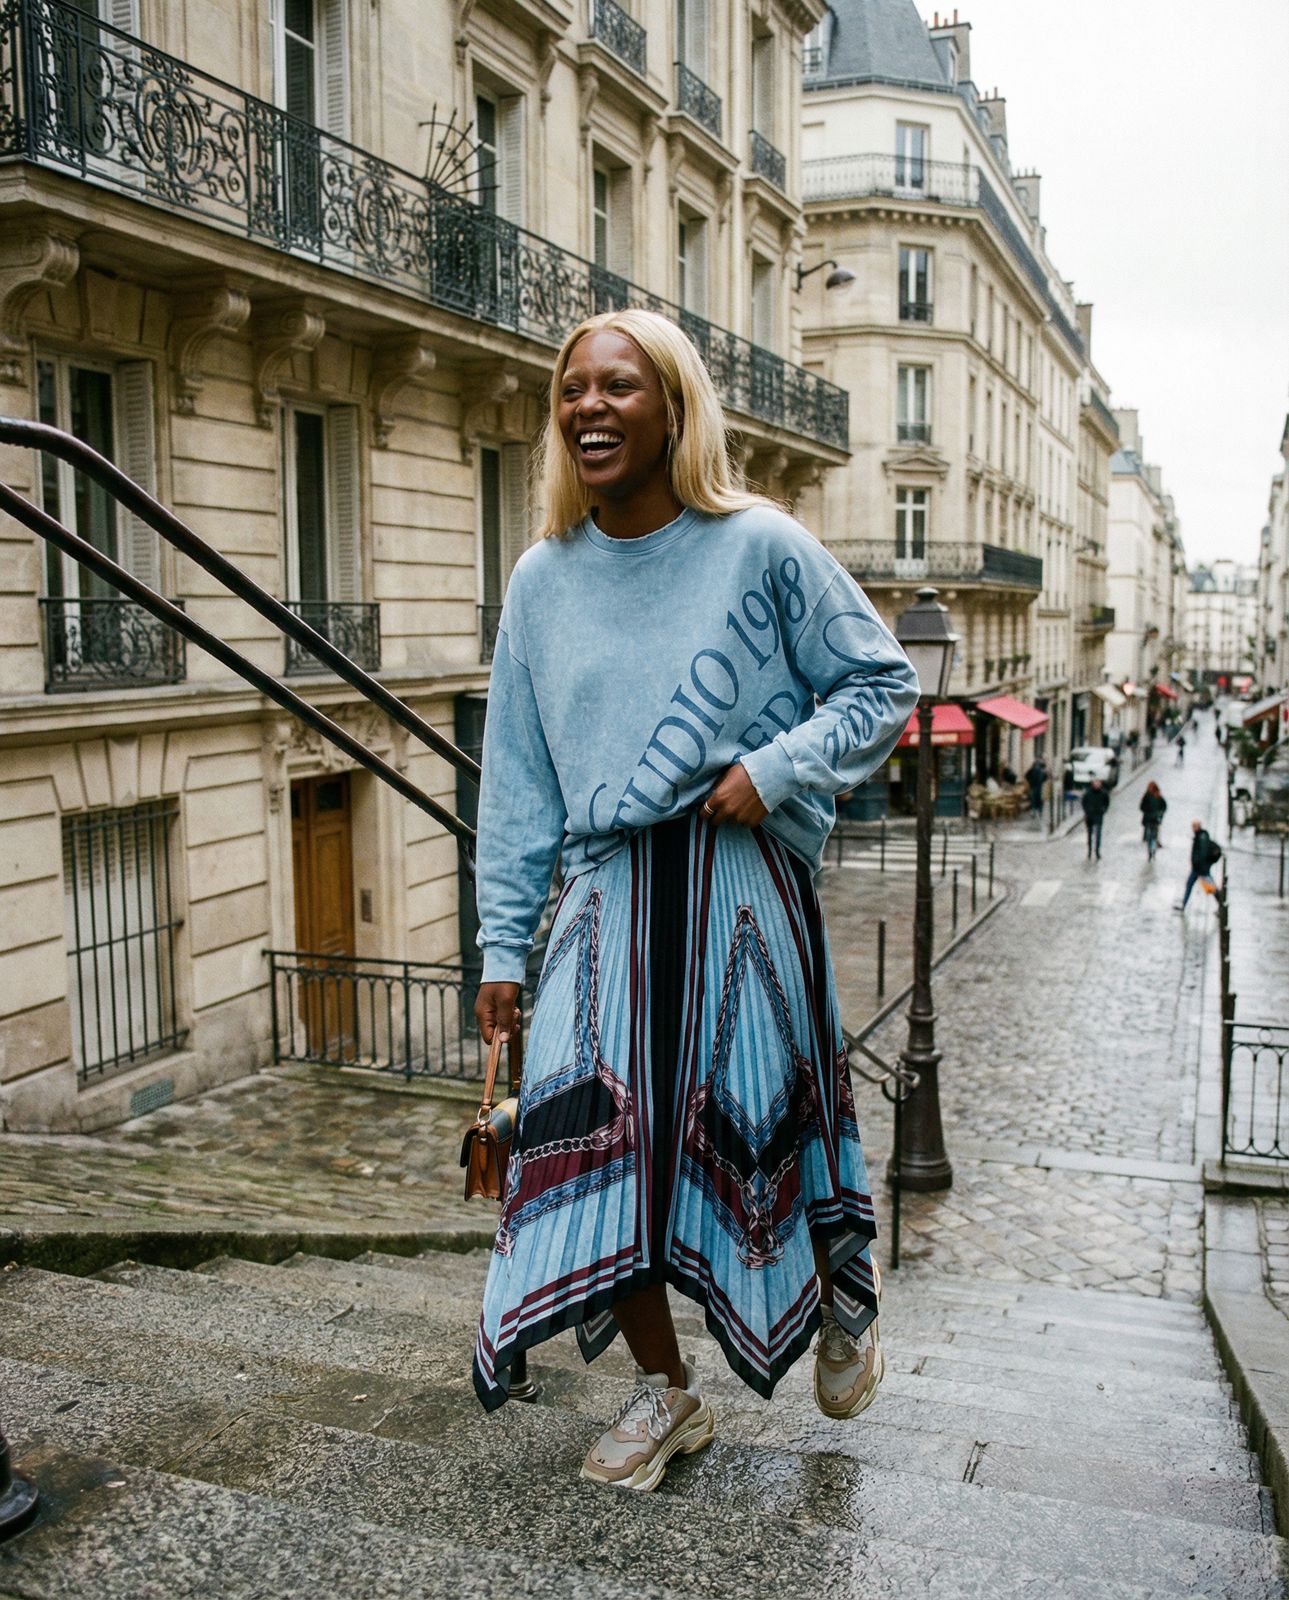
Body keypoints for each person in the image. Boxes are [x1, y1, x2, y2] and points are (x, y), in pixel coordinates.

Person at [470, 309, 919, 1488]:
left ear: (673, 407)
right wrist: (501, 947)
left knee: (757, 1127)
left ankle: (838, 1291)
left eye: (619, 385)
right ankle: (664, 1388)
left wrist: (775, 766)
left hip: (737, 889)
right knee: (594, 1151)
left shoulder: (758, 546)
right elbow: (515, 778)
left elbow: (881, 684)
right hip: (602, 902)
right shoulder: (540, 579)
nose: (589, 406)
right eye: (572, 388)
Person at [1177, 820, 1223, 910]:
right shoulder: (1200, 836)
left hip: (1200, 869)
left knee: (1210, 887)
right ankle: (1184, 905)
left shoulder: (1202, 838)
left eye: (1194, 826)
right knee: (1190, 884)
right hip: (1198, 868)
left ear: (1198, 827)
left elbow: (1202, 854)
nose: (1193, 828)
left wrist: (1198, 865)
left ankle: (1221, 904)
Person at [1081, 776, 1110, 860]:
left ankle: (1097, 851)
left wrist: (1103, 810)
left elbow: (1107, 803)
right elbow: (1084, 802)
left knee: (1098, 834)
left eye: (1098, 783)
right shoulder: (1088, 793)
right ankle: (1089, 850)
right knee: (1089, 834)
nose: (1097, 785)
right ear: (1093, 784)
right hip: (1090, 816)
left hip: (1098, 815)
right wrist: (1087, 810)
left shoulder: (1104, 793)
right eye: (1095, 783)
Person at [1140, 781, 1166, 862]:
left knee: (1153, 837)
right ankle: (1151, 852)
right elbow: (1142, 807)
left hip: (1154, 820)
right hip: (1150, 820)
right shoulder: (1147, 796)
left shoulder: (1157, 796)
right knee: (1150, 837)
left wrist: (1159, 814)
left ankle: (1152, 851)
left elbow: (1164, 806)